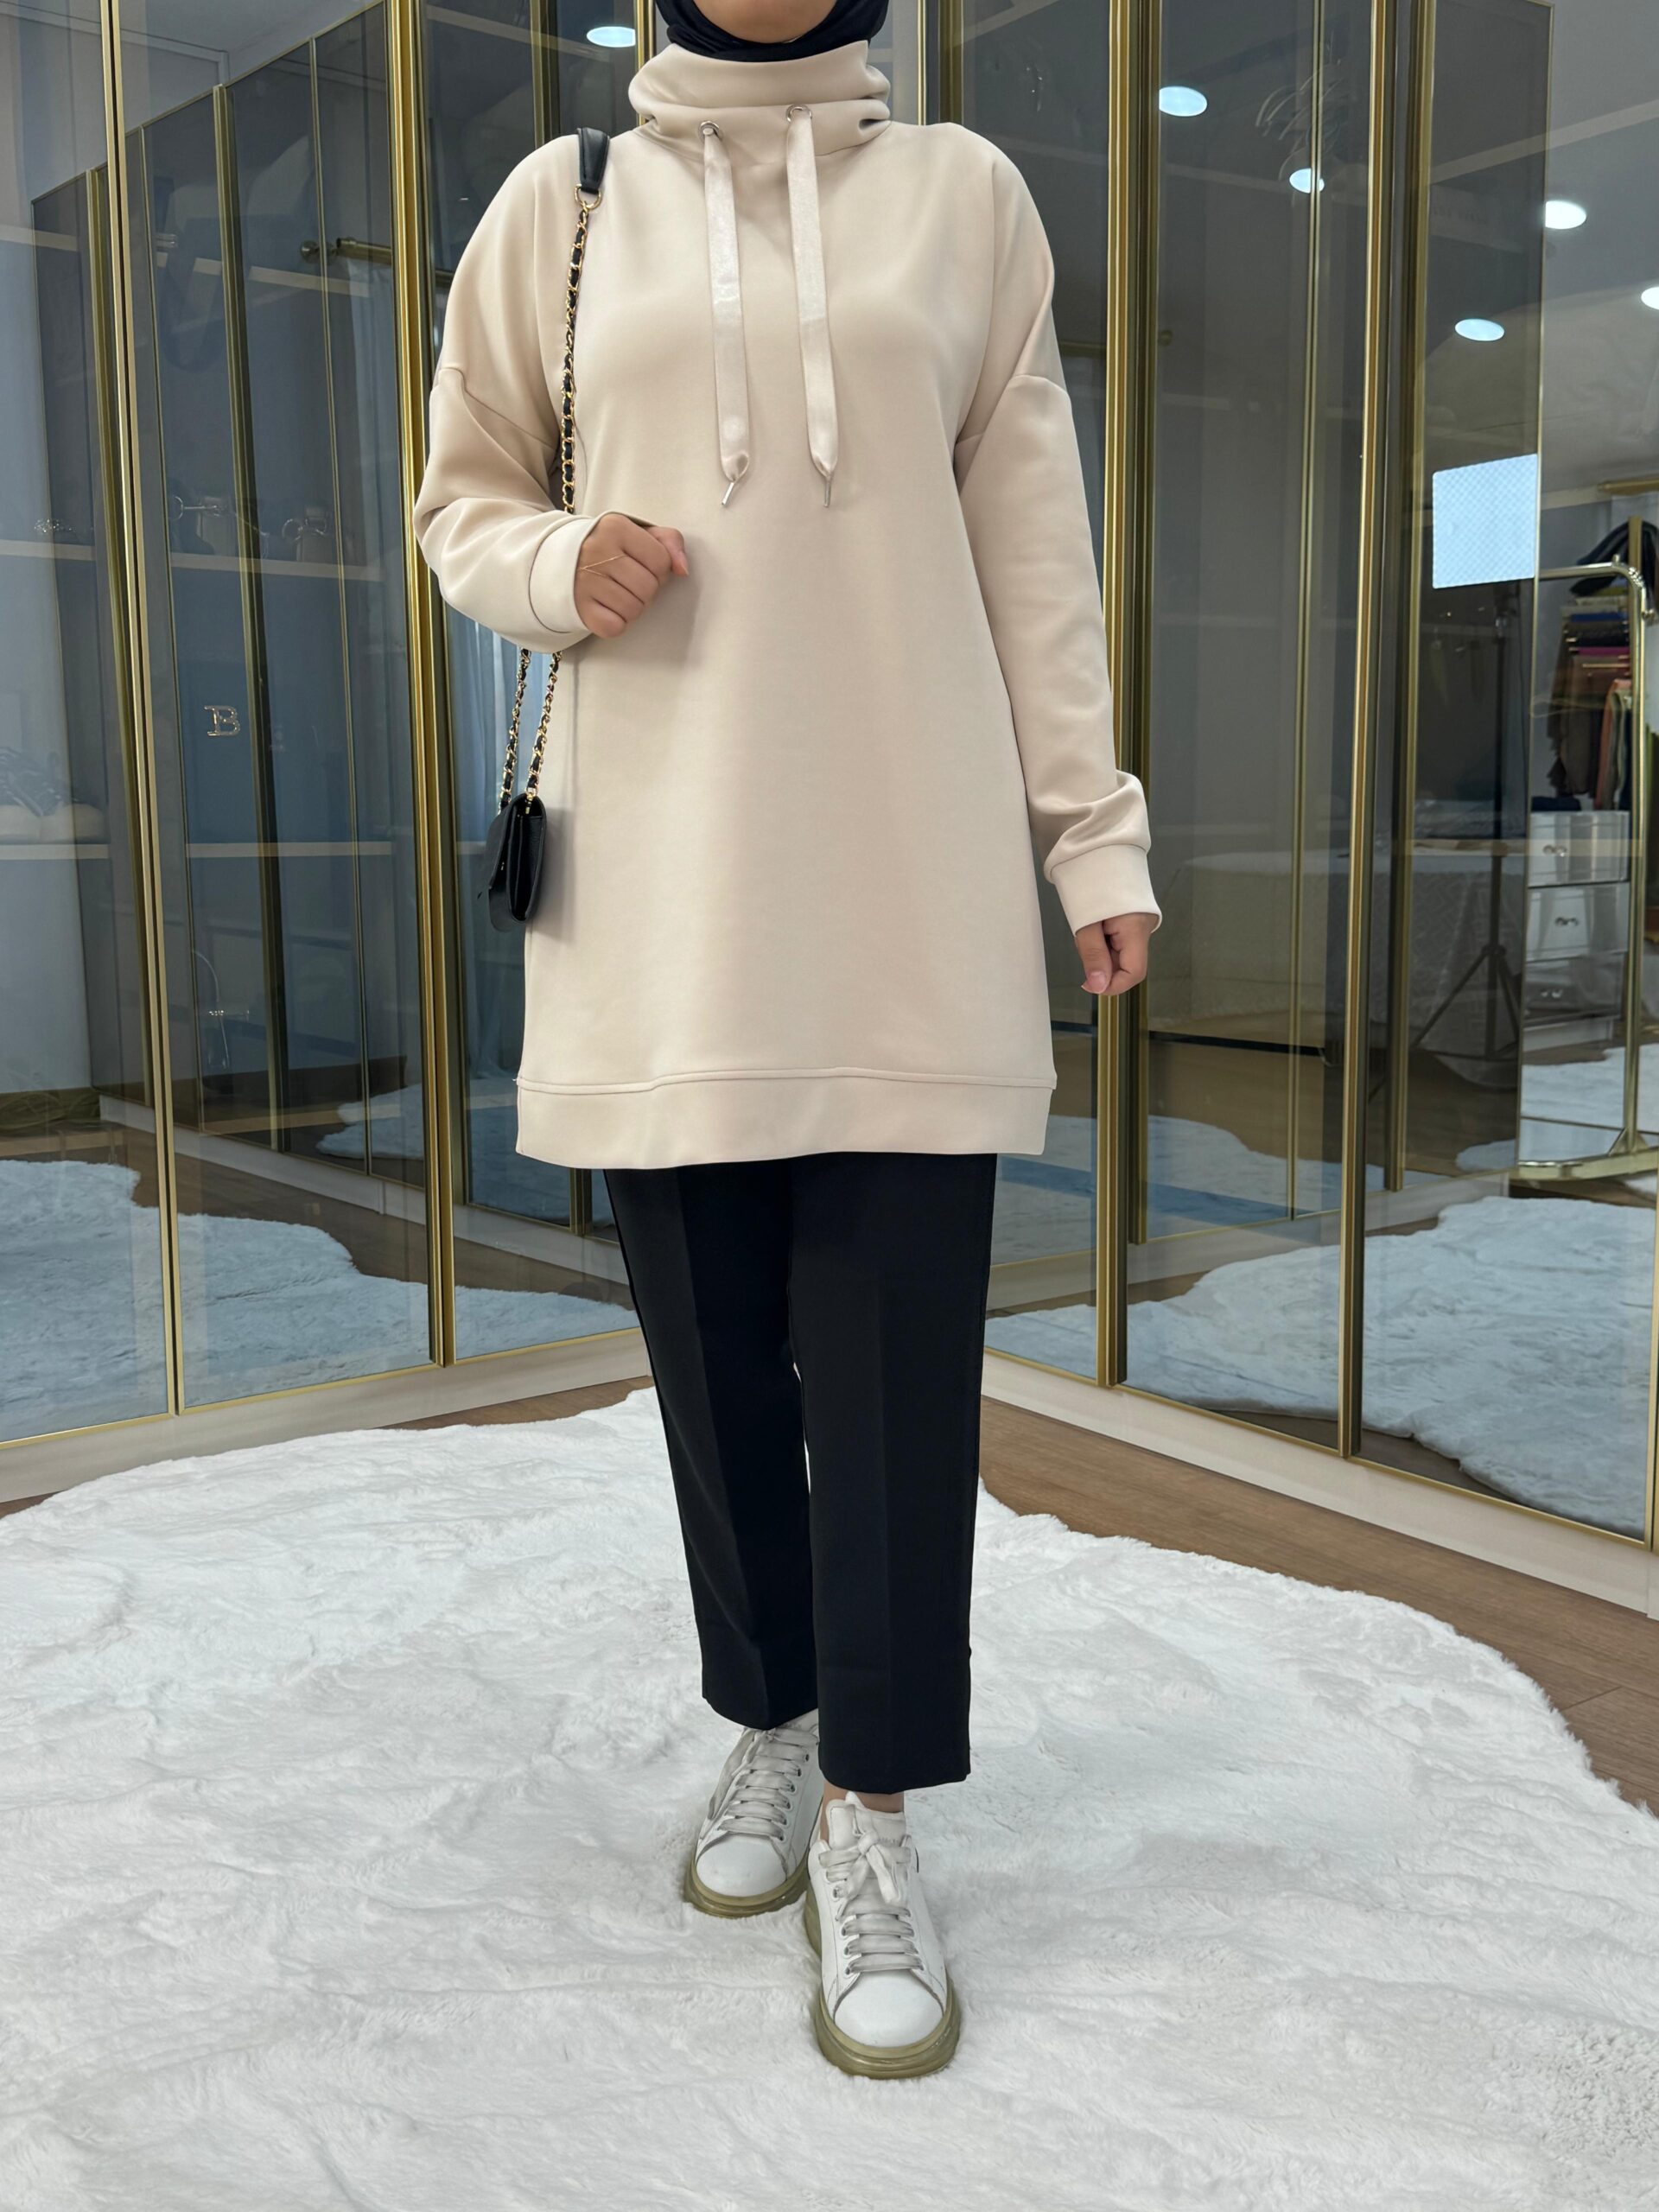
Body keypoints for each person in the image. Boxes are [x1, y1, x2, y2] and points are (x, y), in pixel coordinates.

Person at [413, 0, 1159, 2082]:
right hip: (661, 903)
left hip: (907, 889)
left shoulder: (962, 198)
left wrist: (1090, 829)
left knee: (901, 1381)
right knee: (716, 1364)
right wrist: (556, 558)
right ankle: (771, 1716)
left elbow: (1036, 547)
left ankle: (872, 1810)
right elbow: (460, 499)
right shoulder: (562, 205)